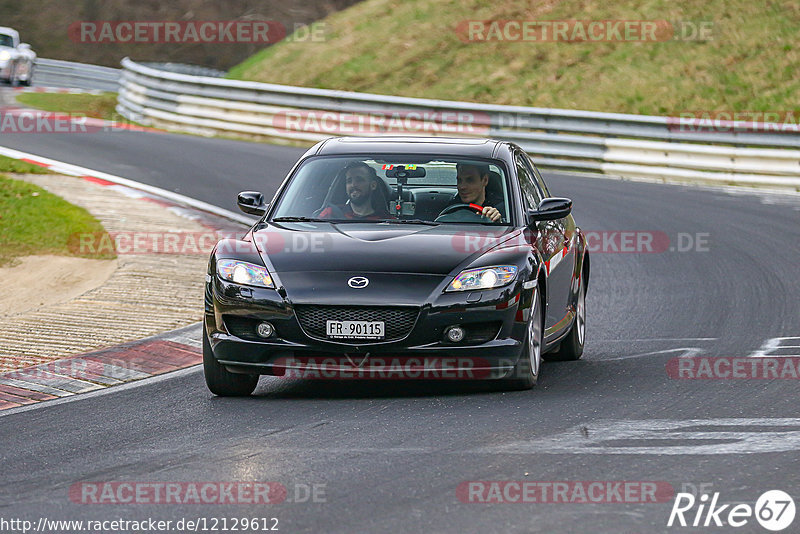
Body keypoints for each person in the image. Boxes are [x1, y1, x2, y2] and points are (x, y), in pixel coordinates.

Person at [318, 161, 391, 220]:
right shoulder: (330, 214)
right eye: (349, 181)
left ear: (373, 185)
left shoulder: (387, 221)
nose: (353, 185)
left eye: (359, 180)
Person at [440, 162, 504, 222]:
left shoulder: (503, 208)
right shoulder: (451, 208)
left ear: (485, 180)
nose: (462, 187)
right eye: (459, 180)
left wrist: (497, 221)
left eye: (470, 180)